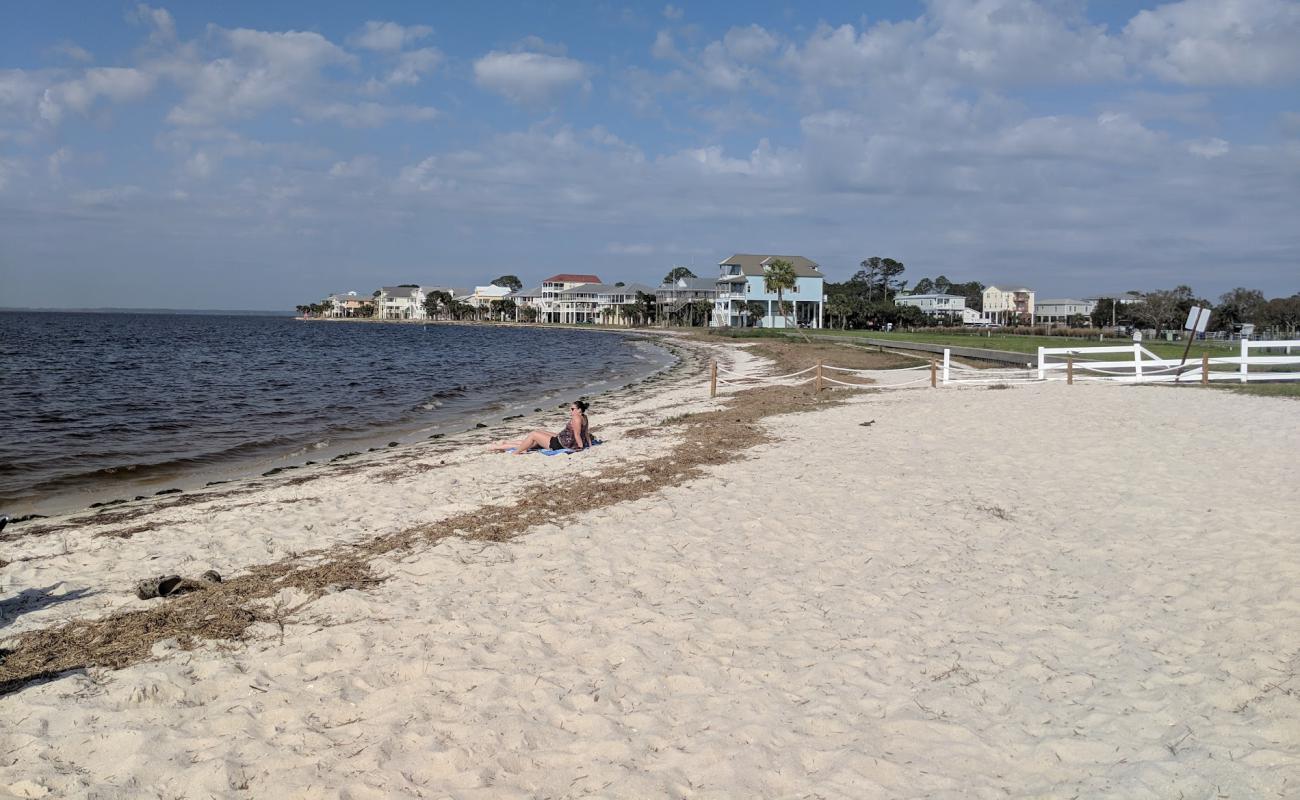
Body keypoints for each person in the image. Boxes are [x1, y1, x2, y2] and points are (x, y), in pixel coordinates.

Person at [489, 399, 593, 455]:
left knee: (534, 434)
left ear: (579, 410)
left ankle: (515, 452)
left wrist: (581, 447)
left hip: (560, 444)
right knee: (535, 438)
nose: (570, 411)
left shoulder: (576, 418)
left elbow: (577, 434)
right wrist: (590, 444)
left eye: (572, 409)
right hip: (563, 439)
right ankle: (505, 444)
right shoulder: (584, 417)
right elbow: (586, 433)